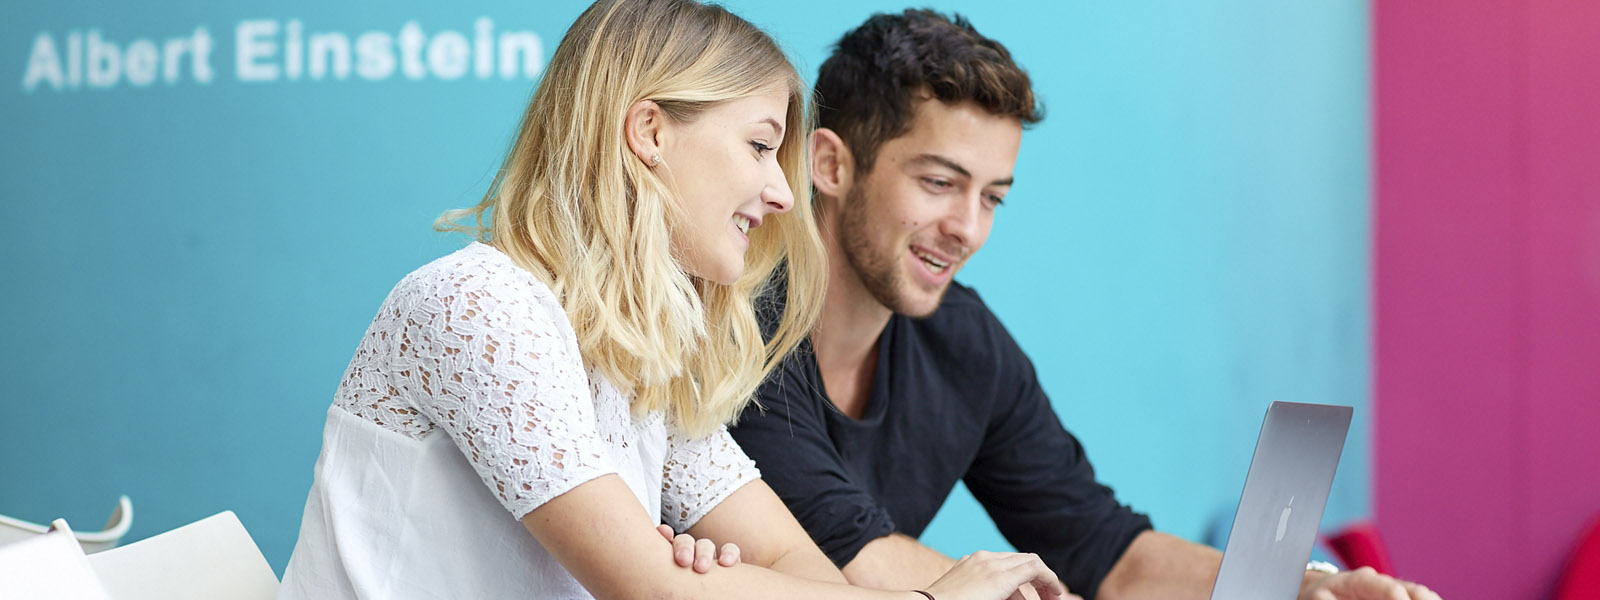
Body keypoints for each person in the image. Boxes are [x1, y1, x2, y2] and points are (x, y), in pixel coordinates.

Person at [277, 1, 1070, 599]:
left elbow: (800, 569)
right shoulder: (476, 305)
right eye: (761, 145)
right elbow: (651, 586)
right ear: (649, 131)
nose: (779, 192)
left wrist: (724, 582)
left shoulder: (640, 365)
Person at [729, 9, 1442, 600]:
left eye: (993, 197)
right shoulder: (735, 325)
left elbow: (1105, 548)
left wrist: (1302, 585)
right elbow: (846, 555)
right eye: (940, 183)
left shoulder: (965, 344)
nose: (968, 229)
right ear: (829, 164)